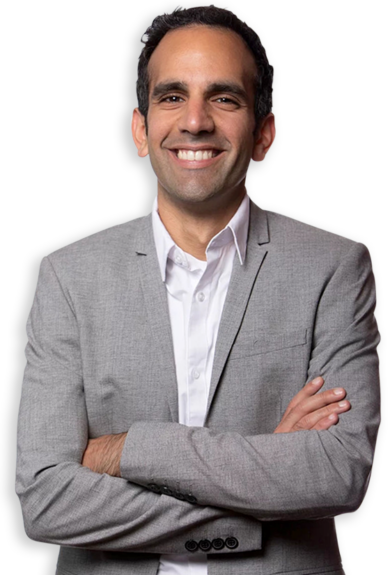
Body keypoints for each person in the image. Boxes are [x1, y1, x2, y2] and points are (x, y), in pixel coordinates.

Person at [15, 5, 381, 575]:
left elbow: (338, 473)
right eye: (171, 97)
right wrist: (266, 476)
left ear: (264, 132)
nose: (195, 121)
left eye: (225, 98)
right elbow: (44, 501)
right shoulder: (69, 277)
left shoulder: (334, 267)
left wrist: (124, 450)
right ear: (140, 130)